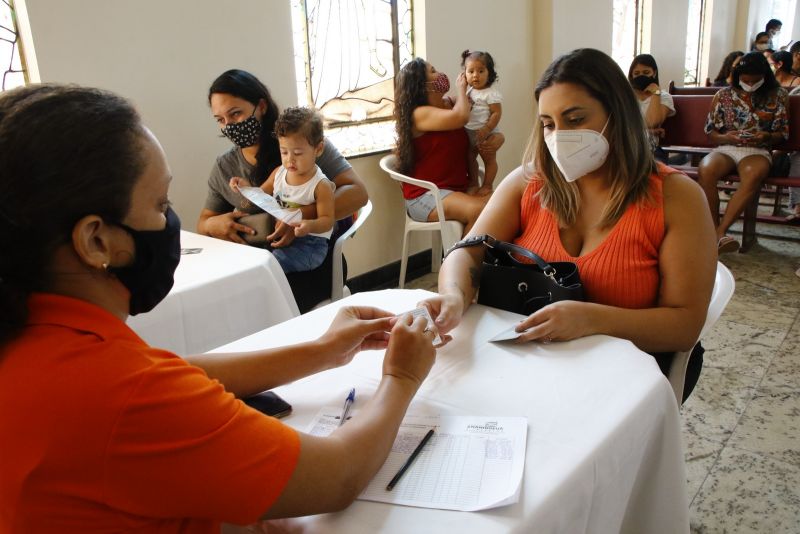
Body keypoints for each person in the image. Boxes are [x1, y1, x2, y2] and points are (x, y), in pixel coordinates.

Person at [0, 84, 439, 532]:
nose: (172, 222)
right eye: (160, 204)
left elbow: (178, 370)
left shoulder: (38, 337)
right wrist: (401, 378)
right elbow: (338, 475)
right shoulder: (121, 396)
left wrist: (326, 350)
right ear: (96, 241)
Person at [421, 48, 716, 401]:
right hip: (532, 368)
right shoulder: (528, 184)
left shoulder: (676, 198)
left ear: (617, 114)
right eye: (548, 124)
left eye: (575, 120)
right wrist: (453, 295)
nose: (559, 136)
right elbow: (466, 255)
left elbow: (684, 325)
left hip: (625, 378)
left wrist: (591, 319)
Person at [200, 69, 368, 311]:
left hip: (309, 261)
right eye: (220, 119)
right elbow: (203, 221)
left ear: (261, 106)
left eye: (235, 114)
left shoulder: (302, 144)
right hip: (256, 262)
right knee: (222, 299)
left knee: (252, 304)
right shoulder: (225, 166)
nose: (229, 126)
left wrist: (298, 217)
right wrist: (212, 225)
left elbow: (358, 194)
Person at [393, 58, 503, 234]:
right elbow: (461, 117)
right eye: (433, 71)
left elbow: (482, 120)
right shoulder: (419, 114)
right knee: (480, 211)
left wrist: (498, 138)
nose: (440, 74)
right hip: (426, 195)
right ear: (422, 84)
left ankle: (477, 258)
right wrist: (462, 89)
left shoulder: (450, 104)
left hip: (456, 189)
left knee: (503, 207)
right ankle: (459, 261)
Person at [698, 51, 788, 253]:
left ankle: (720, 232)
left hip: (758, 149)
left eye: (755, 81)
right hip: (727, 146)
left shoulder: (778, 95)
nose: (749, 84)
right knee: (706, 169)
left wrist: (764, 137)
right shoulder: (724, 95)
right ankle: (715, 232)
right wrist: (727, 137)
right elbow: (711, 133)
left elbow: (782, 133)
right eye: (745, 80)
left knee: (753, 174)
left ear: (765, 76)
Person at [230, 107, 335, 273]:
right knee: (252, 260)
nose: (290, 159)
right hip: (280, 239)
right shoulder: (279, 173)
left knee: (270, 265)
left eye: (298, 153)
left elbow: (327, 221)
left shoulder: (321, 185)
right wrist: (244, 187)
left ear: (319, 148)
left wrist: (309, 225)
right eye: (284, 152)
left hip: (310, 247)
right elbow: (260, 194)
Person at [461, 49, 504, 195]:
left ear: (489, 73)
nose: (475, 75)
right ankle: (473, 181)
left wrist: (487, 128)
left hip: (486, 132)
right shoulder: (469, 91)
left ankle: (487, 185)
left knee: (489, 159)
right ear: (464, 74)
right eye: (470, 71)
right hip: (470, 131)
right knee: (470, 157)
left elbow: (496, 113)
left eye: (480, 71)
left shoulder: (490, 93)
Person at [627, 54, 675, 163]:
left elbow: (652, 121)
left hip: (650, 149)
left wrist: (656, 93)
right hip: (627, 145)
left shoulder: (663, 96)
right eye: (636, 73)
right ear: (631, 76)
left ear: (654, 73)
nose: (641, 76)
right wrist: (648, 131)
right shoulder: (626, 97)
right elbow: (618, 124)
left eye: (646, 73)